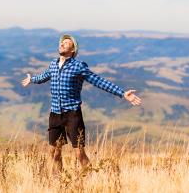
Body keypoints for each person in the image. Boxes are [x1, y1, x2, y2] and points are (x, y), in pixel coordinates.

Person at [21, 34, 142, 176]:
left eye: (66, 43)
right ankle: (58, 182)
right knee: (54, 152)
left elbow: (98, 81)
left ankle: (90, 179)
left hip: (72, 114)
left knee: (79, 152)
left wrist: (122, 93)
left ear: (73, 50)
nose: (62, 44)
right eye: (61, 43)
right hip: (55, 113)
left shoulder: (78, 66)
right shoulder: (53, 64)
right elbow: (44, 76)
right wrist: (32, 79)